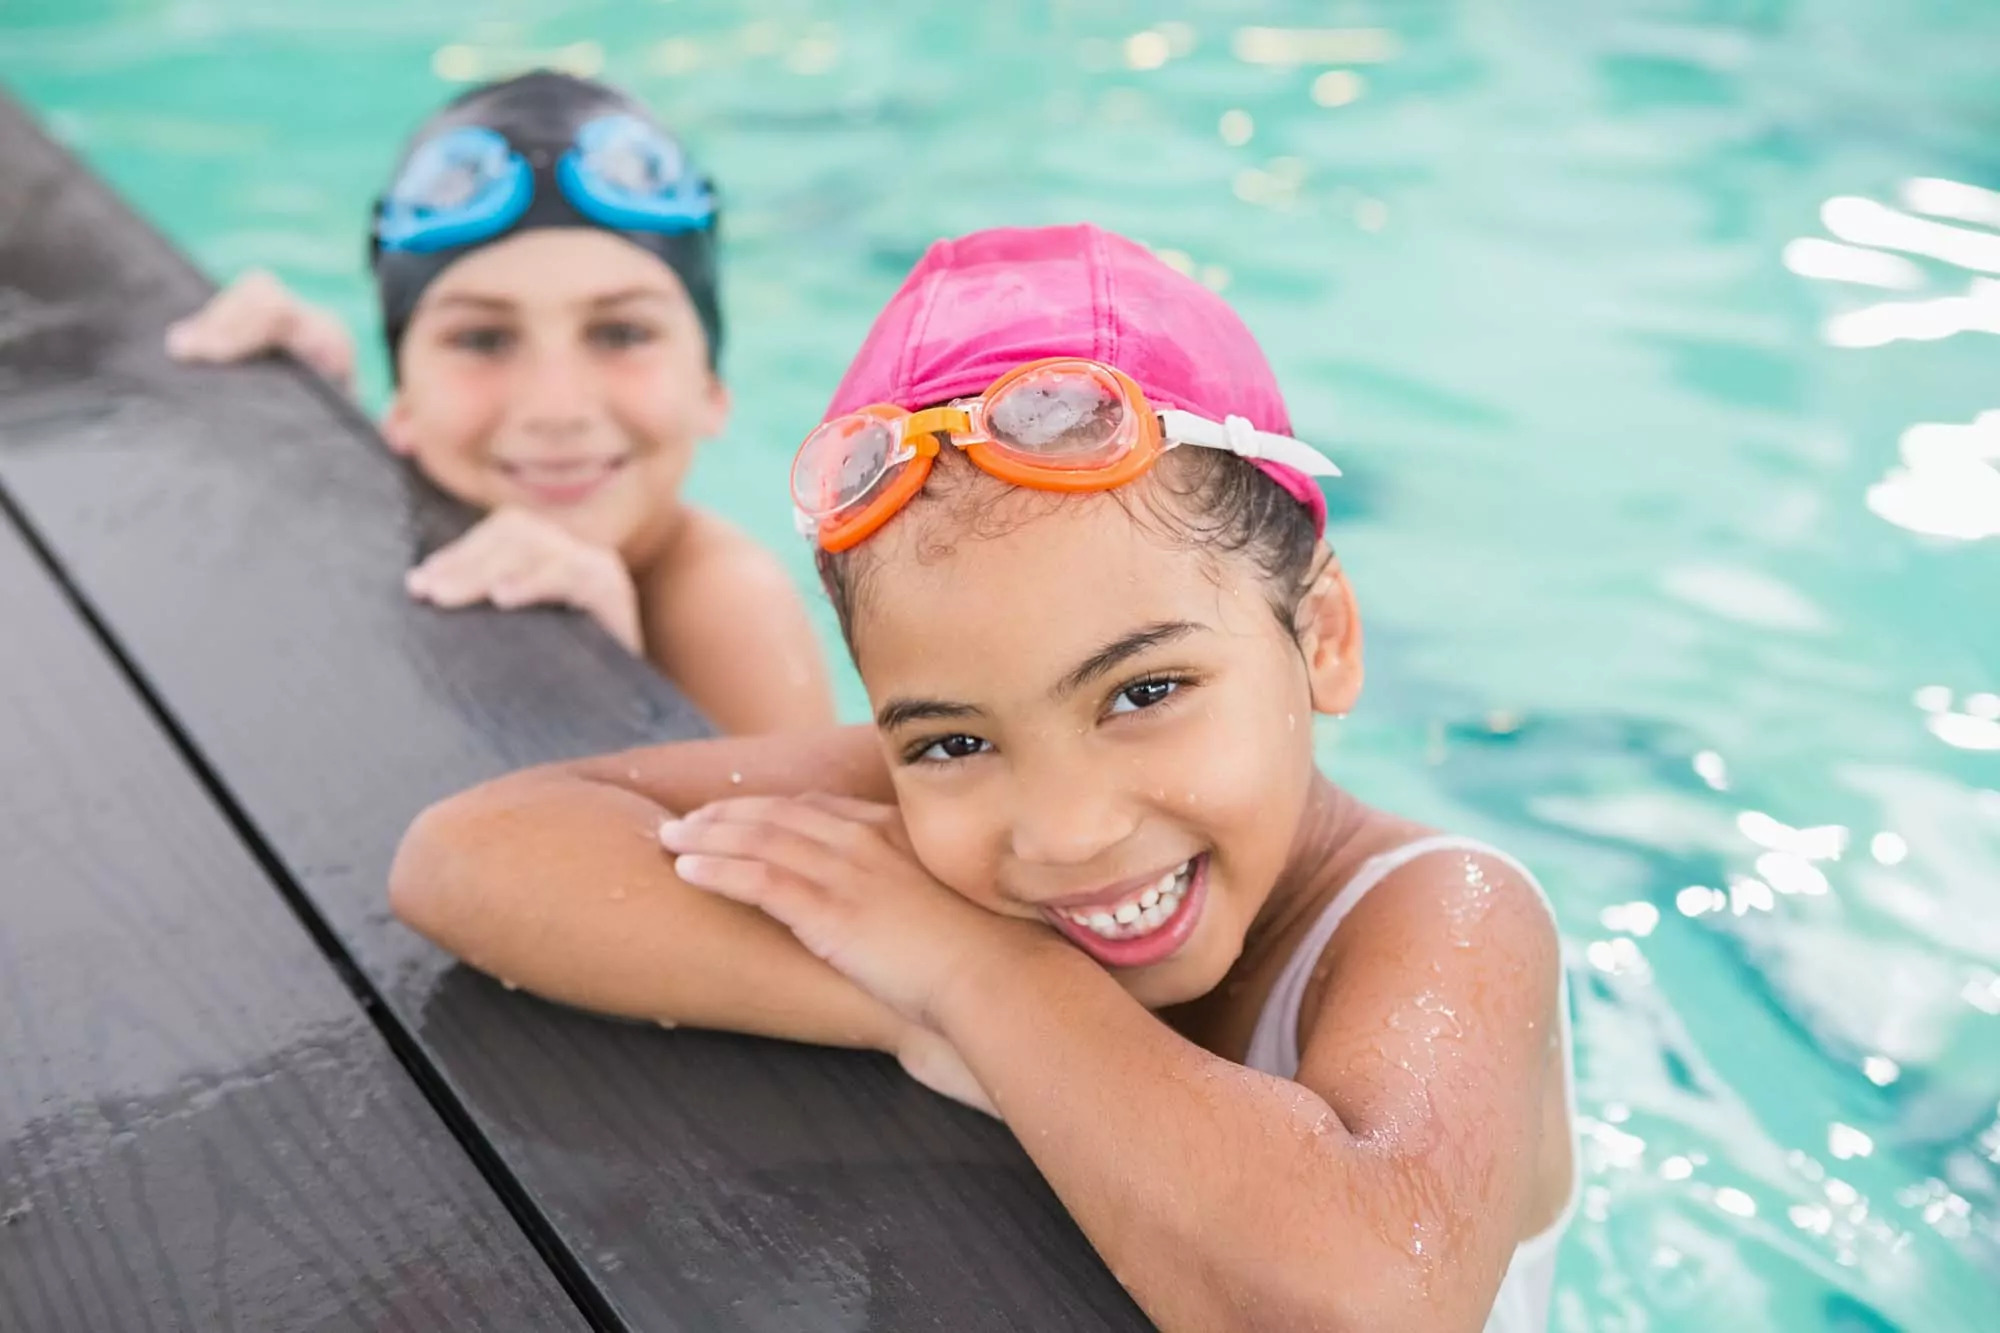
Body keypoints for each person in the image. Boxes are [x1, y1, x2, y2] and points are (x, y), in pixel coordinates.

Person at [389, 224, 1578, 1332]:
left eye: (1144, 692)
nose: (1064, 829)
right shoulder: (945, 798)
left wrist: (985, 980)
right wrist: (923, 1000)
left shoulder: (1446, 914)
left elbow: (1365, 1303)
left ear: (1320, 636)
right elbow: (470, 854)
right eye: (948, 740)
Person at [166, 71, 833, 734]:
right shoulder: (425, 501)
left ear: (710, 389)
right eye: (483, 339)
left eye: (621, 333)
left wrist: (608, 689)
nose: (557, 407)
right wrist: (313, 421)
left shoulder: (726, 602)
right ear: (403, 402)